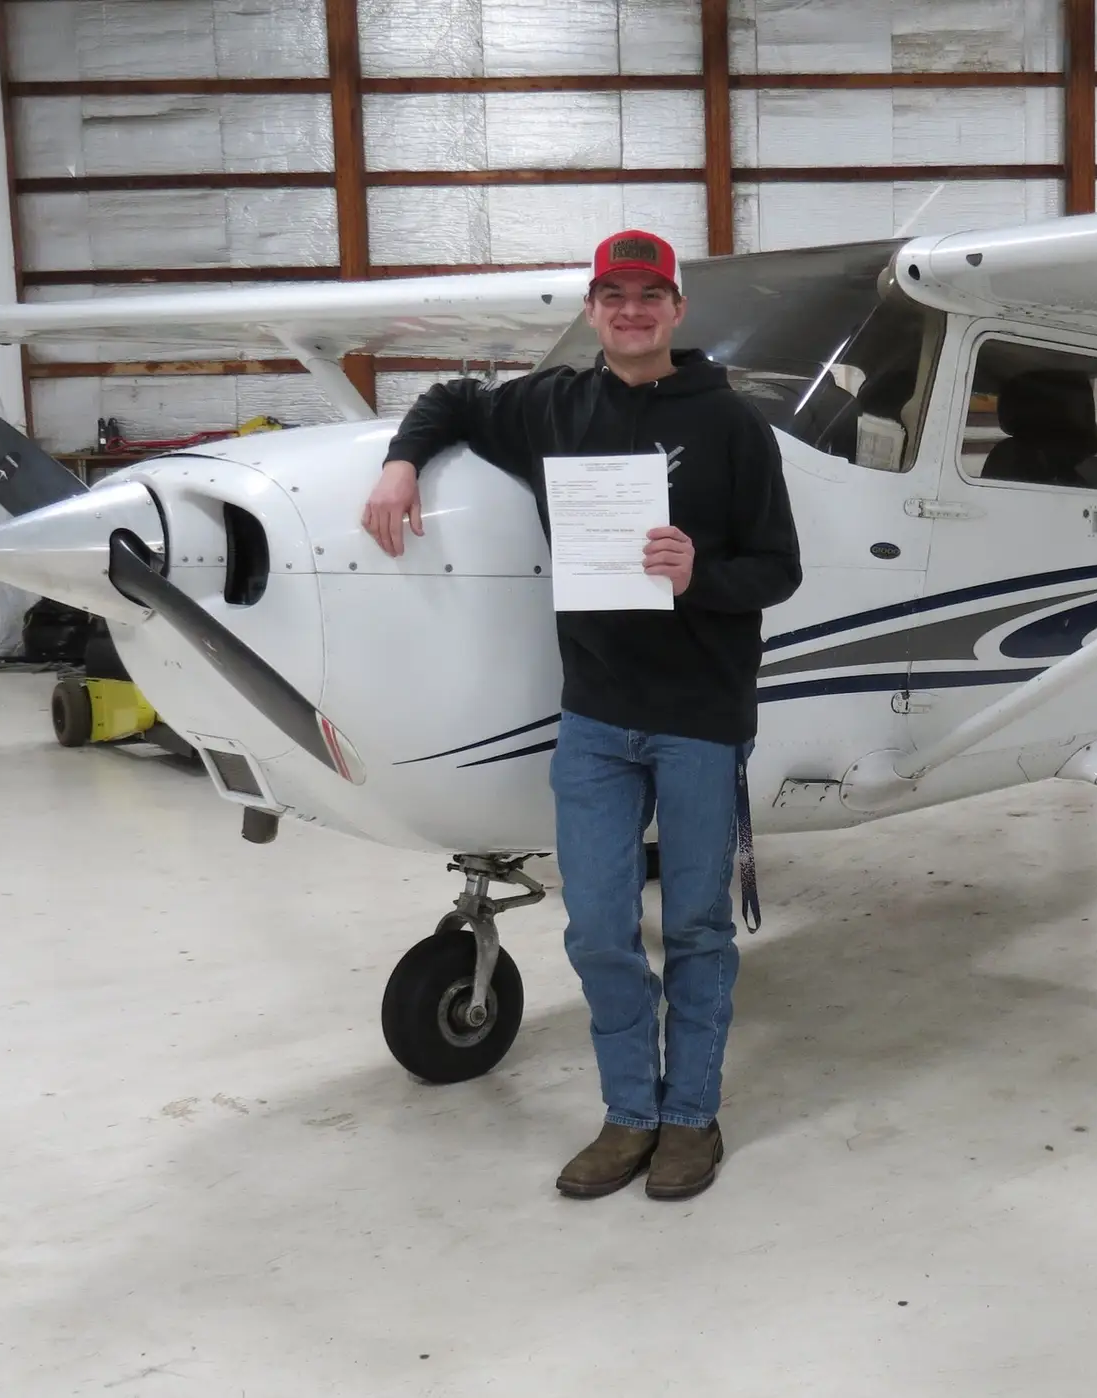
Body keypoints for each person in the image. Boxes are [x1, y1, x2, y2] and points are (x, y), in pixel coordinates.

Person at [360, 229, 802, 1201]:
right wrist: (401, 465)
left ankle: (691, 1119)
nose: (632, 310)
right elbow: (450, 401)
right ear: (592, 311)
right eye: (613, 295)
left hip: (699, 717)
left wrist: (701, 576)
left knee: (692, 928)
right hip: (597, 719)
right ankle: (628, 1113)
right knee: (599, 929)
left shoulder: (734, 427)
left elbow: (780, 568)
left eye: (651, 294)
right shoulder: (556, 405)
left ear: (678, 310)